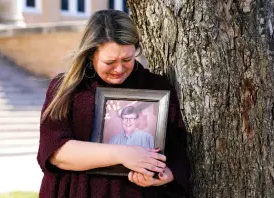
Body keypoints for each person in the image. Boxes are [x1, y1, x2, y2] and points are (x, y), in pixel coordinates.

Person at [37, 9, 190, 198]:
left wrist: (166, 176)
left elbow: (177, 152)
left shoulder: (157, 88)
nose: (119, 69)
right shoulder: (66, 89)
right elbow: (55, 153)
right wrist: (122, 154)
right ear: (91, 54)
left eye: (127, 59)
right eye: (110, 61)